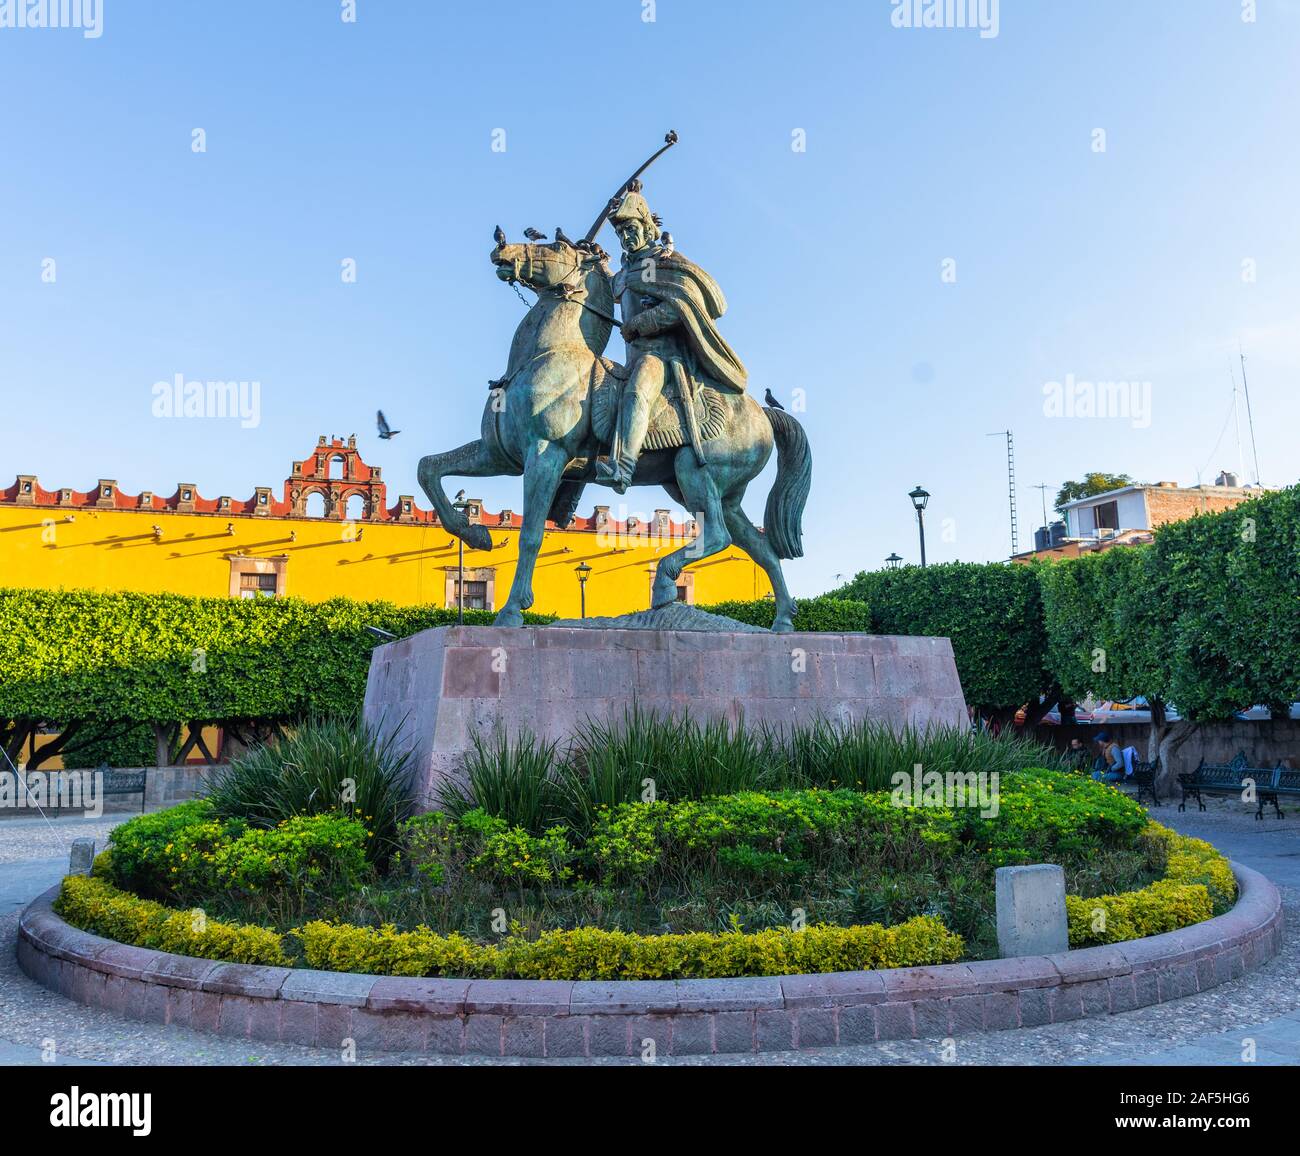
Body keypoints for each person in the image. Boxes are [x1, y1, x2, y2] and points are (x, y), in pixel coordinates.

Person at [595, 182, 748, 493]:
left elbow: (680, 305)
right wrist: (596, 262)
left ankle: (622, 466)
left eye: (631, 228)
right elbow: (610, 289)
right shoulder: (626, 272)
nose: (626, 236)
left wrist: (641, 322)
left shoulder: (658, 262)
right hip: (632, 356)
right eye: (621, 232)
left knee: (639, 391)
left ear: (648, 226)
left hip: (661, 356)